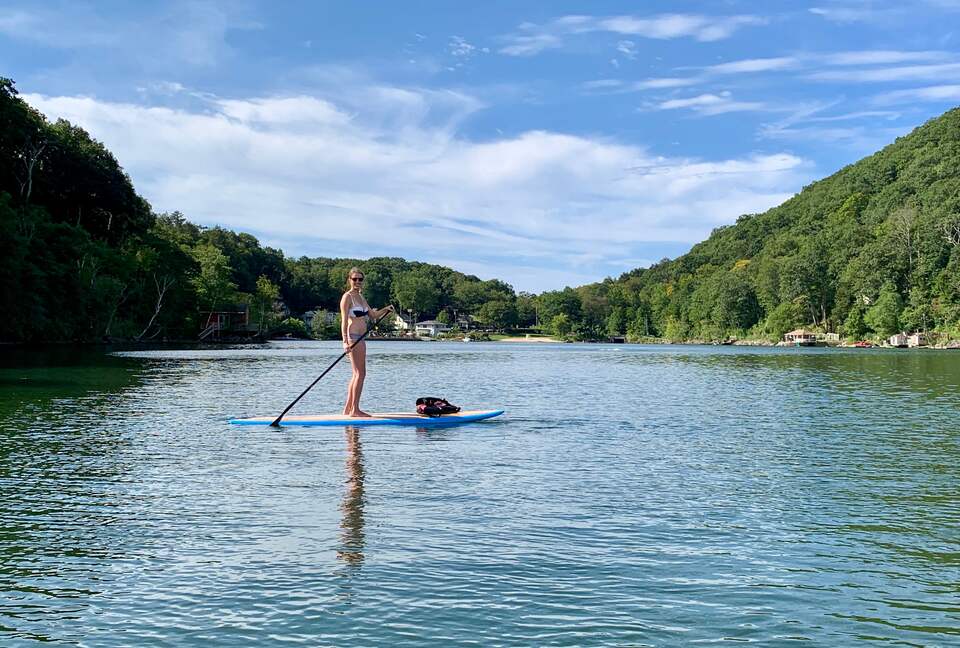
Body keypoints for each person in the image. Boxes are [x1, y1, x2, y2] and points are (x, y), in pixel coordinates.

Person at [340, 267, 394, 417]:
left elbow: (373, 315)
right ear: (349, 280)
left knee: (356, 374)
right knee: (360, 374)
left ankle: (348, 409)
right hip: (353, 337)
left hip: (361, 338)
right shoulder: (347, 297)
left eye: (360, 279)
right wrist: (345, 342)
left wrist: (386, 309)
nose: (357, 282)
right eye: (354, 279)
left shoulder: (361, 297)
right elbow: (344, 321)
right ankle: (355, 410)